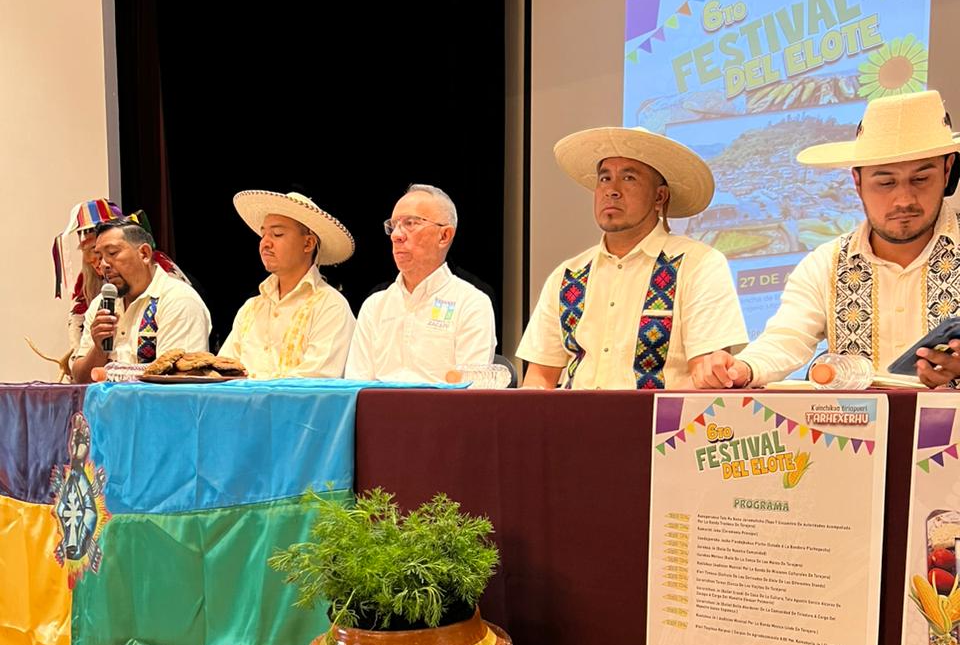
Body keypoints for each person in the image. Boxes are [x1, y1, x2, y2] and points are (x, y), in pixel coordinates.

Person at [692, 90, 960, 390]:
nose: (903, 199)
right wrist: (742, 368)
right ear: (857, 182)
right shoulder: (826, 264)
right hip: (859, 437)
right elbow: (786, 339)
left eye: (921, 179)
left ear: (947, 170)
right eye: (885, 182)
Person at [516, 126, 747, 389]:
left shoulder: (698, 264)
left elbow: (707, 378)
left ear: (660, 196)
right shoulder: (568, 275)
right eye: (604, 179)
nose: (611, 190)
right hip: (574, 425)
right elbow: (539, 377)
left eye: (629, 178)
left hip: (659, 428)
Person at [344, 184, 496, 382]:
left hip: (444, 412)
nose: (396, 235)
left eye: (410, 223)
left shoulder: (471, 303)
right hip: (379, 412)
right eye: (393, 225)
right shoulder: (375, 306)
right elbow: (356, 386)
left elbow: (471, 393)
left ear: (444, 236)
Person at [221, 190, 356, 379]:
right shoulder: (251, 309)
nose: (265, 243)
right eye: (263, 235)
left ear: (308, 243)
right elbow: (222, 372)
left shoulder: (330, 306)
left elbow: (315, 382)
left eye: (277, 234)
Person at [71, 219, 211, 383]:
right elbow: (80, 380)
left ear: (144, 253)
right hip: (107, 408)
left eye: (112, 253)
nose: (103, 264)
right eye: (99, 256)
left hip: (157, 408)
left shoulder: (178, 299)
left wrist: (113, 373)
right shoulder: (101, 304)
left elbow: (177, 379)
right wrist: (99, 349)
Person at [53, 199, 194, 352]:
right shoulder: (89, 285)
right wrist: (83, 351)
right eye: (96, 252)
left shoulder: (164, 276)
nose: (99, 262)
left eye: (111, 252)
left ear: (144, 253)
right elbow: (77, 321)